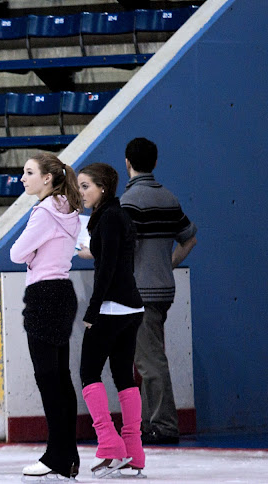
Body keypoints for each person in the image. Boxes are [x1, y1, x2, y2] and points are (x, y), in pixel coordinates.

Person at [9, 153, 83, 480]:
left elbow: (15, 253)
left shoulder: (43, 212)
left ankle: (57, 454)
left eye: (29, 172)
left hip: (43, 294)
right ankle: (67, 455)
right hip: (63, 292)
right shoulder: (69, 208)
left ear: (48, 178)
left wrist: (34, 253)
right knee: (60, 378)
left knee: (48, 379)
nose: (23, 178)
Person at [120, 138, 197, 445]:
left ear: (127, 163)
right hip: (164, 287)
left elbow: (123, 247)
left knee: (149, 362)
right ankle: (150, 422)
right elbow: (189, 238)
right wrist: (169, 262)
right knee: (150, 356)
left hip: (140, 289)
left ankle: (163, 425)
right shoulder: (168, 197)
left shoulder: (130, 202)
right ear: (154, 162)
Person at [77, 163, 146, 478]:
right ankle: (133, 451)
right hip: (130, 309)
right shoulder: (117, 216)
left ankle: (110, 444)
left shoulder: (108, 217)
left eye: (86, 185)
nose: (81, 192)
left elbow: (108, 270)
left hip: (112, 308)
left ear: (103, 187)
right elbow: (113, 256)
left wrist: (92, 311)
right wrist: (94, 251)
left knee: (89, 372)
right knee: (123, 375)